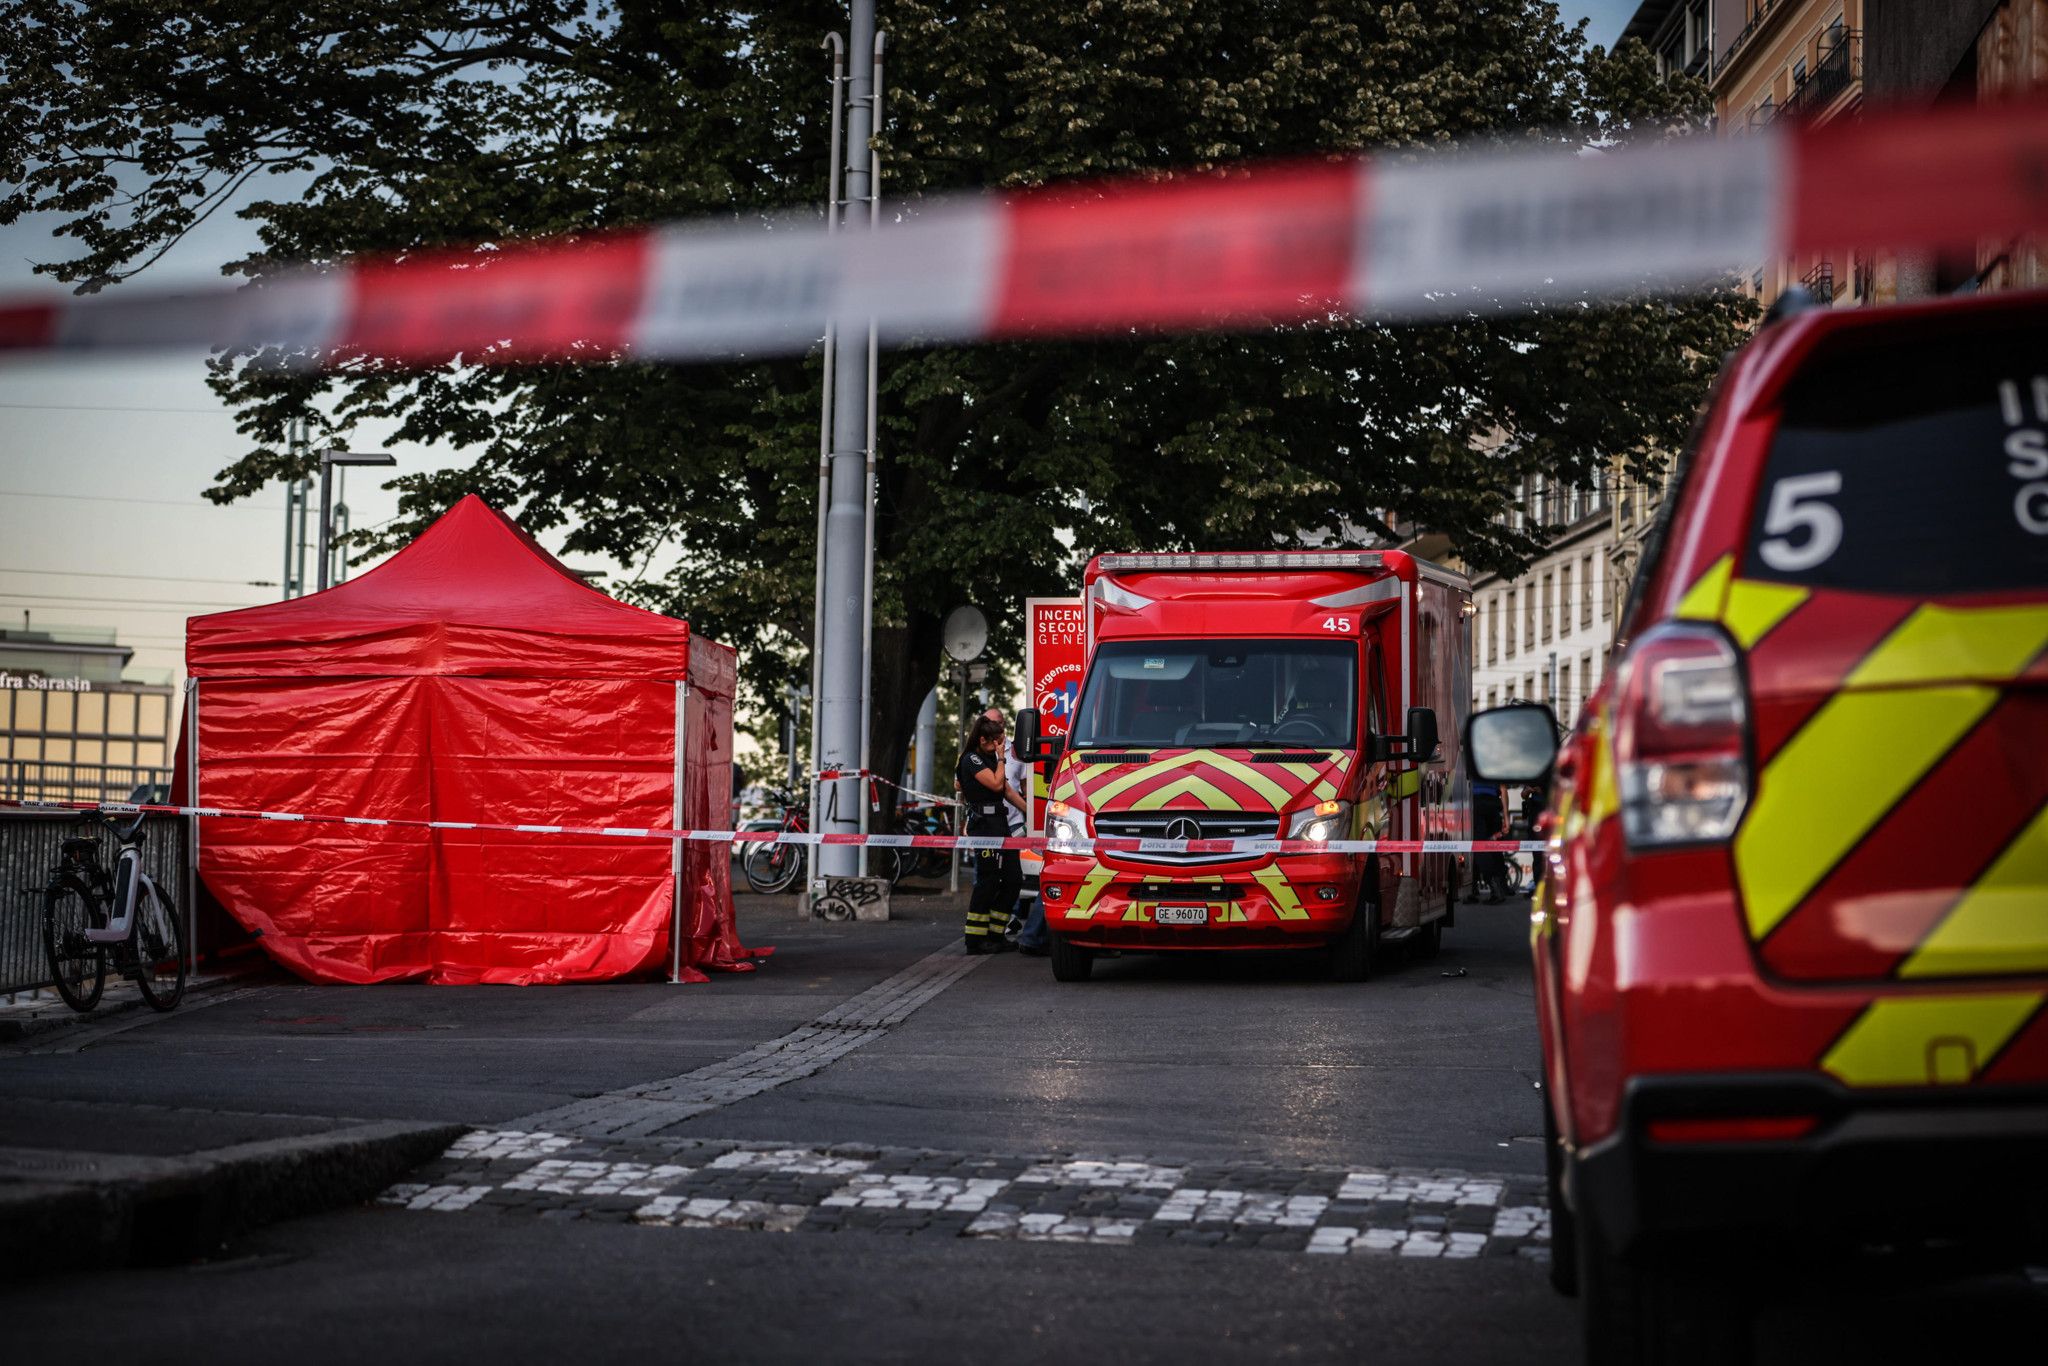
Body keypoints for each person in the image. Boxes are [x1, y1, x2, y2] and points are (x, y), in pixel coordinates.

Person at [956, 714, 1026, 953]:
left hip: (1000, 822)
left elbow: (1006, 790)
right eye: (996, 741)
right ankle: (974, 940)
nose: (1000, 745)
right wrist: (1001, 758)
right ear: (983, 739)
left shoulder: (987, 757)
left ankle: (996, 933)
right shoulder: (972, 759)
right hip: (984, 825)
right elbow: (996, 784)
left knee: (1013, 878)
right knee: (987, 881)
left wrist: (1033, 813)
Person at [1471, 778, 1506, 904]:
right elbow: (1503, 789)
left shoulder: (1472, 761)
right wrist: (1506, 819)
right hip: (1494, 805)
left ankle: (1496, 889)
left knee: (1479, 848)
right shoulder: (1495, 764)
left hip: (1477, 803)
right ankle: (1500, 887)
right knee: (1493, 849)